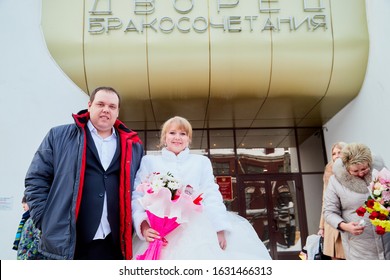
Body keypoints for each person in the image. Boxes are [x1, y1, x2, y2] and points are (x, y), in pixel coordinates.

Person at [24, 86, 144, 260]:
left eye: (112, 106)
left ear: (118, 111)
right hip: (71, 243)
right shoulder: (58, 136)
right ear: (89, 105)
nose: (105, 110)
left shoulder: (133, 145)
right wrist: (46, 221)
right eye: (100, 104)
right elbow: (36, 178)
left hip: (114, 244)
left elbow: (138, 189)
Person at [131, 116, 272, 260]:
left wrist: (218, 228)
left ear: (189, 139)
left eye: (183, 134)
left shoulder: (201, 162)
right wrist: (143, 224)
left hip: (197, 230)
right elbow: (138, 195)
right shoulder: (149, 161)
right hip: (158, 231)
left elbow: (211, 195)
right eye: (172, 133)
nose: (177, 138)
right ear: (164, 137)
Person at [323, 142, 388, 259]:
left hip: (387, 243)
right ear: (347, 168)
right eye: (355, 171)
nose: (361, 173)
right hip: (359, 248)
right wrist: (344, 226)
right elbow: (329, 212)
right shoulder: (335, 181)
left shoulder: (381, 173)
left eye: (364, 168)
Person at [318, 141, 346, 260]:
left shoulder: (354, 170)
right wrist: (321, 227)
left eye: (339, 152)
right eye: (334, 154)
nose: (336, 156)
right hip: (331, 224)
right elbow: (325, 201)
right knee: (334, 257)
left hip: (347, 221)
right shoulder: (328, 173)